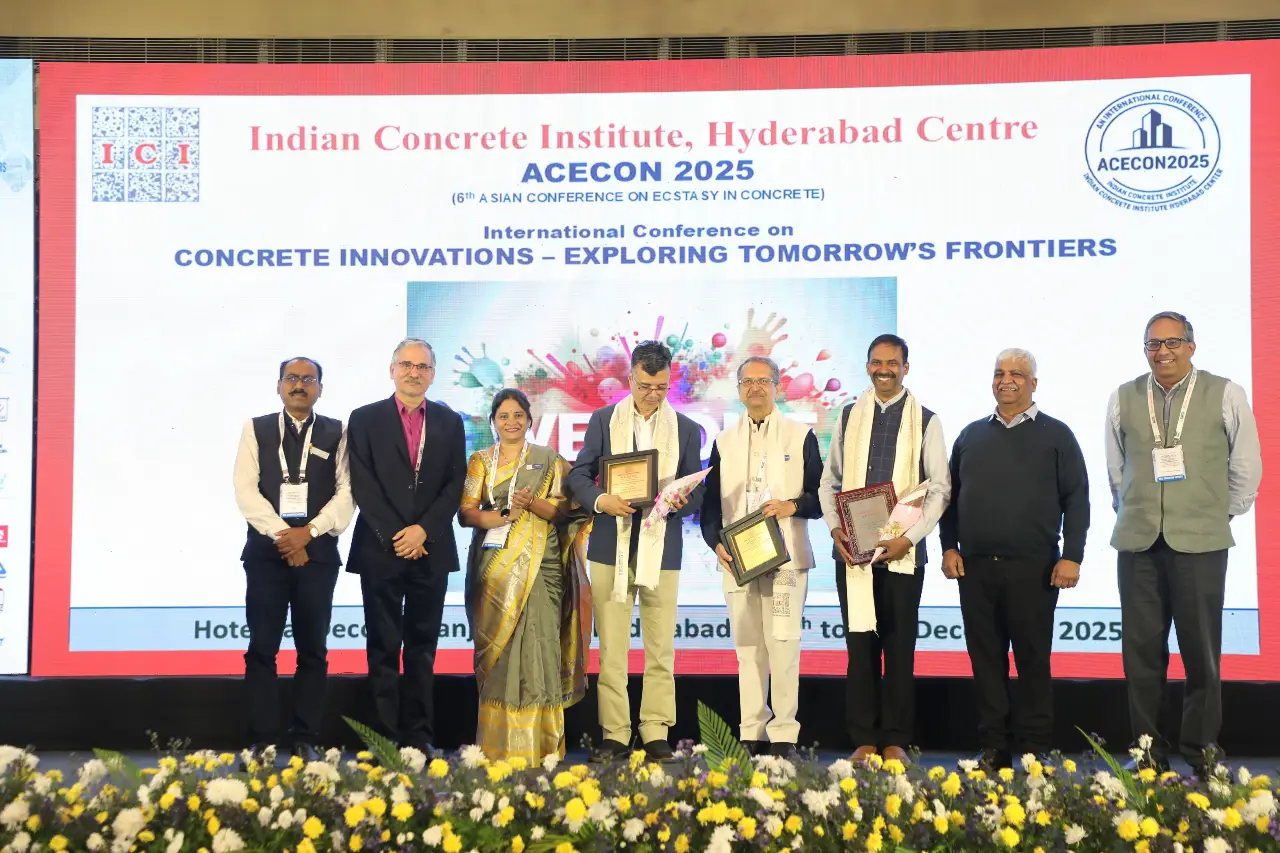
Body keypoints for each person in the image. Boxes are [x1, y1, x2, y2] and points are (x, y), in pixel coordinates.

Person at [1108, 311, 1261, 773]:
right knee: (1140, 657)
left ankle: (1201, 753)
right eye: (1153, 344)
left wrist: (1219, 513)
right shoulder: (1123, 396)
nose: (1163, 352)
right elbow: (1117, 471)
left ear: (1191, 347)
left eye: (1172, 342)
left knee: (1201, 654)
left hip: (1201, 543)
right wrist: (1135, 511)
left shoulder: (1225, 392)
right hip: (1138, 544)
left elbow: (1246, 465)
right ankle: (1147, 755)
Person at [939, 348, 1090, 771]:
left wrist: (1073, 556)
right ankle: (994, 748)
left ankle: (1035, 749)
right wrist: (948, 547)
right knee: (986, 662)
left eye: (1017, 374)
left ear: (1033, 383)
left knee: (1032, 661)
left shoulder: (1057, 435)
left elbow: (1077, 499)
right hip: (975, 568)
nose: (1006, 380)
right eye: (999, 373)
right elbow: (949, 499)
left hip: (1035, 569)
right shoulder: (970, 435)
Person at [567, 340, 705, 761]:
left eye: (661, 387)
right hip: (610, 545)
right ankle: (615, 733)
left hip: (662, 548)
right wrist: (600, 500)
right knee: (612, 647)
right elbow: (578, 476)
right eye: (645, 386)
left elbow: (697, 489)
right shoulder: (603, 420)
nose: (652, 395)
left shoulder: (685, 428)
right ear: (630, 378)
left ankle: (656, 729)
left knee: (661, 646)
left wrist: (680, 502)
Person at [819, 333, 950, 764]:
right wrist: (835, 528)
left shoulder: (926, 421)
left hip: (902, 555)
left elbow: (940, 489)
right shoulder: (847, 416)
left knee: (898, 648)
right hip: (853, 554)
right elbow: (829, 481)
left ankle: (895, 740)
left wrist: (908, 539)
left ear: (905, 368)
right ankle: (863, 739)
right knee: (859, 648)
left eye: (892, 363)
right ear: (868, 366)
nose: (884, 370)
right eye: (877, 362)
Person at [459, 388, 593, 761]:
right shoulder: (480, 462)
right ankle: (497, 746)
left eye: (518, 415)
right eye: (504, 416)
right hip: (494, 570)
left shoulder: (550, 461)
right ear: (493, 422)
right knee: (500, 653)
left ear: (529, 419)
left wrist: (533, 503)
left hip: (542, 567)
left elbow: (569, 513)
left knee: (540, 645)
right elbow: (466, 513)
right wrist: (503, 516)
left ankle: (543, 746)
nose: (511, 422)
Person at [699, 356, 823, 758]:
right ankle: (751, 730)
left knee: (783, 642)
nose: (755, 388)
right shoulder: (724, 441)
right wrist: (715, 543)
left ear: (777, 386)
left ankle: (784, 731)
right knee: (747, 646)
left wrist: (792, 506)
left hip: (785, 559)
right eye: (747, 382)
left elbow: (821, 496)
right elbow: (710, 506)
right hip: (738, 559)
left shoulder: (800, 436)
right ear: (738, 390)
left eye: (763, 381)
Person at [346, 338, 466, 751]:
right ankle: (382, 741)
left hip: (431, 550)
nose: (414, 373)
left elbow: (455, 483)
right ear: (392, 370)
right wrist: (399, 535)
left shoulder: (450, 422)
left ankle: (418, 738)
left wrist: (423, 531)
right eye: (407, 365)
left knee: (422, 650)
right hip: (381, 549)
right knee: (382, 648)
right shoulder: (364, 418)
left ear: (432, 374)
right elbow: (362, 483)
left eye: (423, 367)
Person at [232, 356, 353, 756]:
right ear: (279, 385)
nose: (299, 385)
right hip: (267, 556)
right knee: (262, 649)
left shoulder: (338, 431)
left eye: (308, 379)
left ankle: (305, 738)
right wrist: (286, 538)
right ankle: (262, 740)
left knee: (313, 650)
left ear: (320, 388)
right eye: (292, 378)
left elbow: (346, 493)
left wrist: (308, 534)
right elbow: (246, 491)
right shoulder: (256, 429)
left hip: (317, 556)